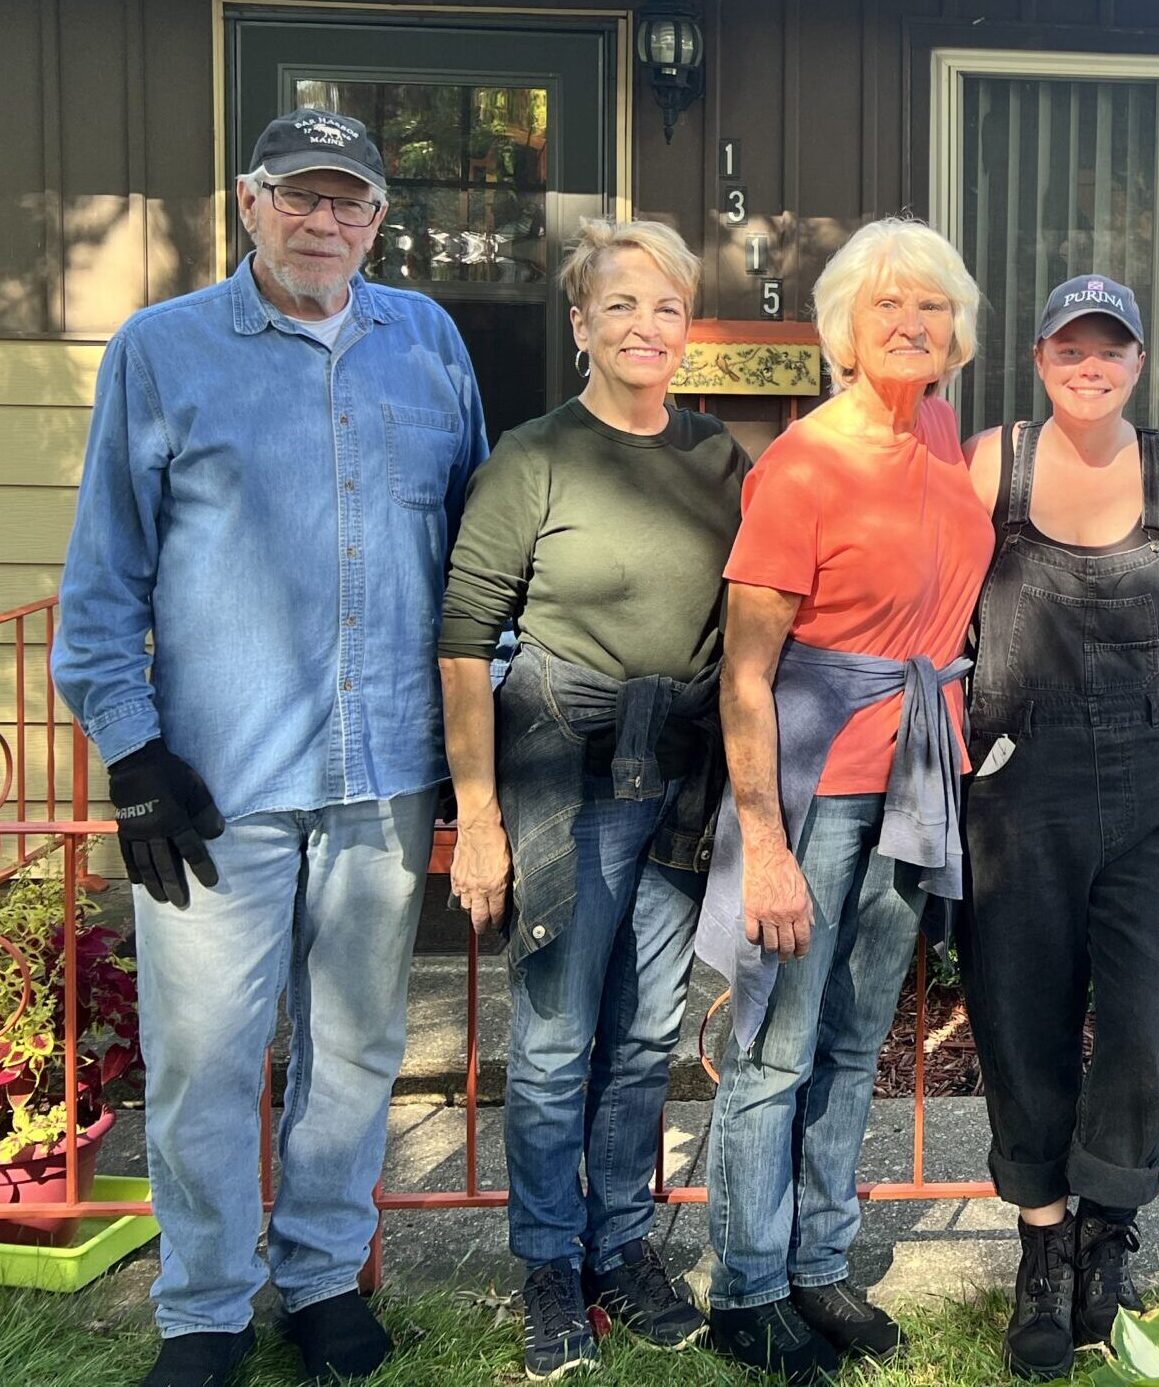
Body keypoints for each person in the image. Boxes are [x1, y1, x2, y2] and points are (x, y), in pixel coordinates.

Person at [52, 108, 485, 1387]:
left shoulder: (429, 341)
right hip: (216, 782)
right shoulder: (161, 349)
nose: (323, 222)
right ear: (248, 204)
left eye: (349, 201)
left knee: (353, 1049)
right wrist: (131, 750)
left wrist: (484, 731)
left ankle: (320, 1278)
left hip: (383, 771)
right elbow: (103, 576)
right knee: (204, 1059)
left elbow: (476, 558)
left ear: (378, 221)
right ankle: (204, 1308)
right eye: (299, 196)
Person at [437, 219, 746, 1378]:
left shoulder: (719, 458)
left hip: (682, 770)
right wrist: (477, 818)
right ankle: (547, 1261)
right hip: (565, 764)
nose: (645, 327)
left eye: (666, 307)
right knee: (559, 1035)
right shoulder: (534, 456)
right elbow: (464, 640)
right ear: (580, 323)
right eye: (620, 305)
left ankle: (620, 1243)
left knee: (647, 1030)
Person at [695, 218, 993, 1383]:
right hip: (816, 788)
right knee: (774, 1045)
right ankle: (747, 1287)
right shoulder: (801, 465)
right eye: (887, 306)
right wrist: (762, 845)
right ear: (843, 331)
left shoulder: (942, 437)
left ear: (957, 332)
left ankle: (819, 1261)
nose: (912, 324)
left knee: (857, 1038)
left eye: (932, 306)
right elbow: (746, 673)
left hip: (914, 781)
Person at [958, 275, 1159, 1379]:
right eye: (1070, 347)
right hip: (1020, 782)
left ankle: (1107, 1235)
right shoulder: (996, 463)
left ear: (1138, 362)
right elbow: (942, 608)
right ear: (1039, 359)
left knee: (1137, 1025)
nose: (1090, 365)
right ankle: (1042, 1245)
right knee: (1018, 1014)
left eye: (1109, 348)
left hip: (1153, 780)